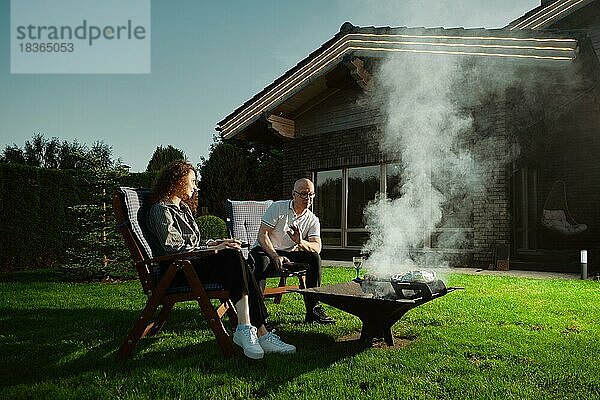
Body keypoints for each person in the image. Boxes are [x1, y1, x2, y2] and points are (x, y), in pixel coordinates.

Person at [146, 160, 295, 359]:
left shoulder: (183, 210)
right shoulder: (161, 210)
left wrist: (219, 242)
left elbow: (194, 242)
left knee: (239, 258)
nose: (195, 186)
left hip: (191, 264)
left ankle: (258, 331)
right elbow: (176, 249)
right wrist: (218, 248)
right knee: (233, 257)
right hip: (179, 271)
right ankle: (250, 330)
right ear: (179, 180)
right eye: (192, 181)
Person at [250, 178, 335, 324]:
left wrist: (300, 242)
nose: (307, 198)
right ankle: (258, 316)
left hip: (288, 253)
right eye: (303, 194)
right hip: (265, 249)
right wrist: (275, 256)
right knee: (261, 261)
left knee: (314, 258)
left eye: (311, 195)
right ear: (293, 194)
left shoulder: (312, 219)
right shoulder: (278, 208)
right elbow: (262, 235)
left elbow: (317, 247)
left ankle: (313, 311)